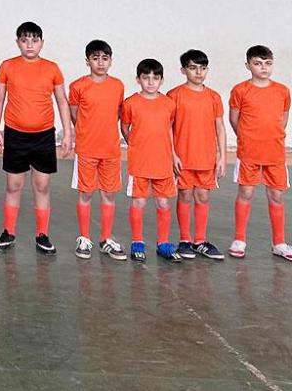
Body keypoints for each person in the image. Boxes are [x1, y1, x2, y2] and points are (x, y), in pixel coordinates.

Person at [0, 22, 72, 255]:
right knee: (13, 185)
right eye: (25, 40)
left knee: (42, 185)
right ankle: (8, 231)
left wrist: (68, 132)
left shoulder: (52, 68)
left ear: (42, 43)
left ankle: (42, 234)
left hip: (43, 136)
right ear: (18, 42)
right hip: (15, 134)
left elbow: (62, 101)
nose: (29, 45)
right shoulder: (7, 66)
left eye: (34, 40)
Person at [229, 45, 292, 261]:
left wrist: (273, 136)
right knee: (246, 193)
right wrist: (246, 138)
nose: (263, 67)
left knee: (276, 196)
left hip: (275, 153)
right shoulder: (240, 90)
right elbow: (234, 118)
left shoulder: (282, 90)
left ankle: (279, 243)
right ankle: (239, 240)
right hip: (249, 153)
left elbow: (284, 116)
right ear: (248, 65)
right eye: (257, 63)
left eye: (267, 63)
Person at [68, 39, 127, 261]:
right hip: (86, 149)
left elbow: (118, 113)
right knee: (86, 193)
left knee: (109, 194)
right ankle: (84, 237)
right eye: (95, 58)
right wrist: (86, 132)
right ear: (87, 61)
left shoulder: (118, 86)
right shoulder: (77, 86)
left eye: (104, 58)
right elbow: (75, 114)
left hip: (110, 149)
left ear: (110, 61)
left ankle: (106, 239)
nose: (100, 63)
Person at [167, 49, 226, 260]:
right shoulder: (174, 95)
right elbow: (167, 127)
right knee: (185, 195)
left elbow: (220, 127)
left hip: (206, 157)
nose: (198, 72)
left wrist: (222, 156)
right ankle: (185, 240)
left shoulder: (214, 97)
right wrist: (173, 154)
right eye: (193, 68)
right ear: (183, 70)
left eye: (202, 68)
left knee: (203, 196)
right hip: (183, 158)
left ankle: (200, 241)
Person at [121, 58, 182, 263]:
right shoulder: (130, 103)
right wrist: (135, 144)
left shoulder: (169, 104)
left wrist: (173, 155)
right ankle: (137, 242)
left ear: (161, 80)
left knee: (163, 202)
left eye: (155, 78)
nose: (150, 82)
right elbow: (125, 127)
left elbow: (169, 130)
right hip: (139, 163)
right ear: (138, 79)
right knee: (139, 201)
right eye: (146, 77)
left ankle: (163, 243)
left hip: (162, 162)